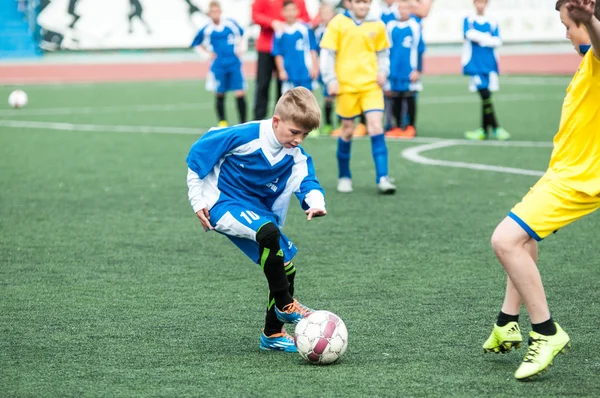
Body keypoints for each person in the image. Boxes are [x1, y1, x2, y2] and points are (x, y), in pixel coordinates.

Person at [483, 0, 600, 381]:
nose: (566, 32)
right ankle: (507, 322)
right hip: (561, 173)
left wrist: (591, 20)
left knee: (504, 240)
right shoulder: (587, 53)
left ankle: (546, 331)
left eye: (568, 25)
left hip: (579, 179)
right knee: (524, 238)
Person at [186, 87, 326, 353]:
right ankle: (286, 305)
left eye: (305, 135)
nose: (299, 140)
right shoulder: (247, 135)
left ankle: (272, 334)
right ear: (276, 121)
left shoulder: (295, 156)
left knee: (286, 266)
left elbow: (308, 182)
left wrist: (316, 203)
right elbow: (198, 155)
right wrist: (197, 201)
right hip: (221, 201)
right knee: (268, 232)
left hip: (256, 211)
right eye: (294, 132)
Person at [320, 0, 397, 194]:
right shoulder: (338, 23)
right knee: (347, 130)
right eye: (358, 2)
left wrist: (383, 71)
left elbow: (383, 53)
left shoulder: (378, 24)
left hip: (371, 85)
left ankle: (383, 177)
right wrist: (330, 79)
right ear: (350, 3)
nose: (362, 6)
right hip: (346, 86)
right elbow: (328, 53)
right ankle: (344, 176)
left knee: (376, 126)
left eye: (366, 2)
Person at [191, 1, 247, 127]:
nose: (215, 14)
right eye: (212, 12)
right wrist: (207, 55)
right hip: (218, 65)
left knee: (240, 92)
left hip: (234, 63)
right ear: (209, 14)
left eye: (217, 11)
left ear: (221, 12)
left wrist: (241, 48)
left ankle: (243, 123)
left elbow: (243, 34)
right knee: (220, 93)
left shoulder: (230, 24)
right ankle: (222, 122)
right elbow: (195, 44)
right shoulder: (207, 29)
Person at [252, 0, 310, 121]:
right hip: (266, 47)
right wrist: (272, 22)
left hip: (287, 50)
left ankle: (282, 119)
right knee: (263, 84)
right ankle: (259, 119)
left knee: (284, 86)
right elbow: (255, 15)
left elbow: (305, 17)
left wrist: (293, 23)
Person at [462, 0, 510, 141]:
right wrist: (487, 38)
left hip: (489, 64)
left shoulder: (492, 21)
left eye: (483, 2)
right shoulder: (469, 19)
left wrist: (481, 39)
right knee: (485, 95)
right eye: (478, 2)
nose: (480, 5)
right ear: (474, 3)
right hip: (474, 65)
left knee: (487, 97)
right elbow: (468, 34)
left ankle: (484, 130)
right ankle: (495, 127)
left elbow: (498, 41)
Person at [385, 0, 424, 139]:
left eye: (406, 8)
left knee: (409, 97)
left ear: (411, 9)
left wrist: (418, 69)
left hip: (409, 70)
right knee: (395, 98)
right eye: (400, 8)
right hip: (394, 70)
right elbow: (386, 49)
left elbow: (420, 49)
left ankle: (411, 127)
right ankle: (398, 127)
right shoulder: (390, 26)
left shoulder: (415, 26)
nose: (403, 11)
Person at [272, 0, 319, 93]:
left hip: (305, 73)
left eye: (293, 10)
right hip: (289, 74)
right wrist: (281, 71)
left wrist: (314, 67)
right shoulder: (280, 31)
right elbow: (278, 54)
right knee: (290, 103)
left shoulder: (305, 29)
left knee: (306, 102)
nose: (290, 13)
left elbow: (312, 49)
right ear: (282, 12)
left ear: (298, 11)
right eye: (287, 10)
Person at [314, 2, 337, 136]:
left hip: (337, 68)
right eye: (322, 14)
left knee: (339, 97)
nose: (325, 16)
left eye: (327, 13)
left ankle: (340, 123)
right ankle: (328, 124)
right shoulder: (319, 31)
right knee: (327, 97)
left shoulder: (338, 29)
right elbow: (315, 51)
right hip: (324, 70)